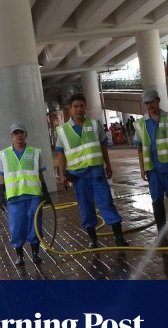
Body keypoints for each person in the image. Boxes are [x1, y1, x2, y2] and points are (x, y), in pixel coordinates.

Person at [55, 94, 129, 248]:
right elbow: (61, 154)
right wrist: (62, 174)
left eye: (81, 106)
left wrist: (108, 165)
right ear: (70, 109)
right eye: (75, 106)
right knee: (85, 207)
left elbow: (103, 147)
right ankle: (93, 241)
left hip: (97, 173)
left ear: (85, 107)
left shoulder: (95, 125)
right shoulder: (62, 131)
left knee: (107, 203)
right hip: (78, 177)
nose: (79, 109)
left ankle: (119, 237)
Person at [0, 122, 51, 267]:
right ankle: (19, 256)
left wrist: (45, 192)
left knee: (35, 225)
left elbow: (40, 174)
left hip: (34, 195)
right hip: (14, 197)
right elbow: (1, 176)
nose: (18, 135)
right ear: (11, 136)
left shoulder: (35, 153)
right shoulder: (4, 155)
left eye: (21, 132)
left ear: (26, 134)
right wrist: (1, 194)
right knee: (16, 226)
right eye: (15, 133)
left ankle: (35, 254)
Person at [134, 87, 168, 244]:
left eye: (151, 102)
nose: (149, 106)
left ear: (158, 100)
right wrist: (142, 168)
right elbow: (139, 149)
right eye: (146, 103)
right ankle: (161, 235)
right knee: (157, 200)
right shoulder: (141, 124)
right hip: (153, 169)